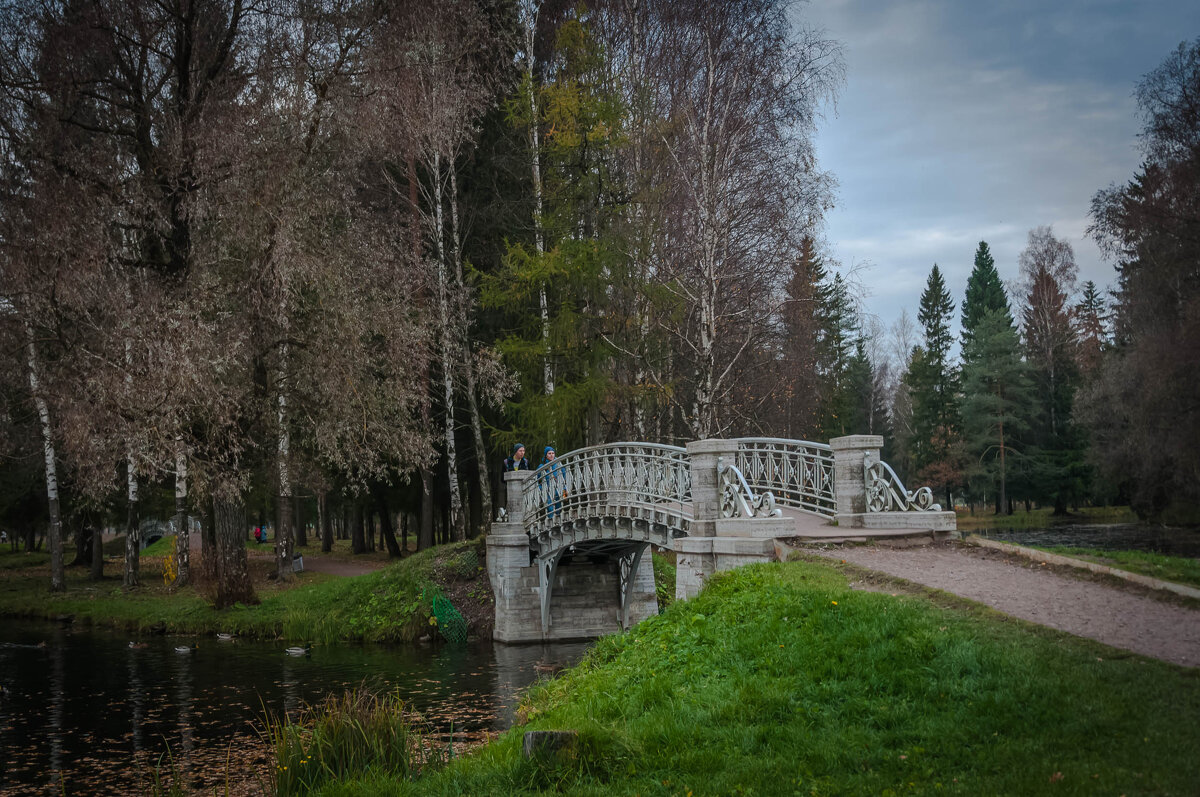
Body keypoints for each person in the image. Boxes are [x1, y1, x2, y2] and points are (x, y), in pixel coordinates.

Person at [539, 445, 564, 519]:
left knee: (558, 508)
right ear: (546, 455)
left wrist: (564, 489)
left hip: (558, 489)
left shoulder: (559, 464)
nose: (551, 455)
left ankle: (558, 523)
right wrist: (541, 488)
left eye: (553, 453)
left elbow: (564, 477)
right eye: (549, 453)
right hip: (547, 491)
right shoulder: (542, 466)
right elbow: (537, 479)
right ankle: (551, 523)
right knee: (550, 509)